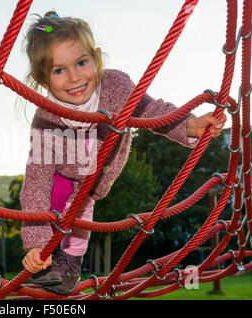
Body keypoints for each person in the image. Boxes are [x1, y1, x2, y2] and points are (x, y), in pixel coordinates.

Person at [19, 11, 226, 295]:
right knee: (57, 199)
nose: (74, 77)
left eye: (81, 63)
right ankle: (46, 262)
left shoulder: (116, 87)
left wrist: (190, 124)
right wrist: (35, 243)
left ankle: (69, 265)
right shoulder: (47, 119)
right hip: (62, 175)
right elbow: (35, 183)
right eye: (58, 70)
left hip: (95, 177)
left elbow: (152, 111)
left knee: (81, 214)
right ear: (42, 80)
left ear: (96, 57)